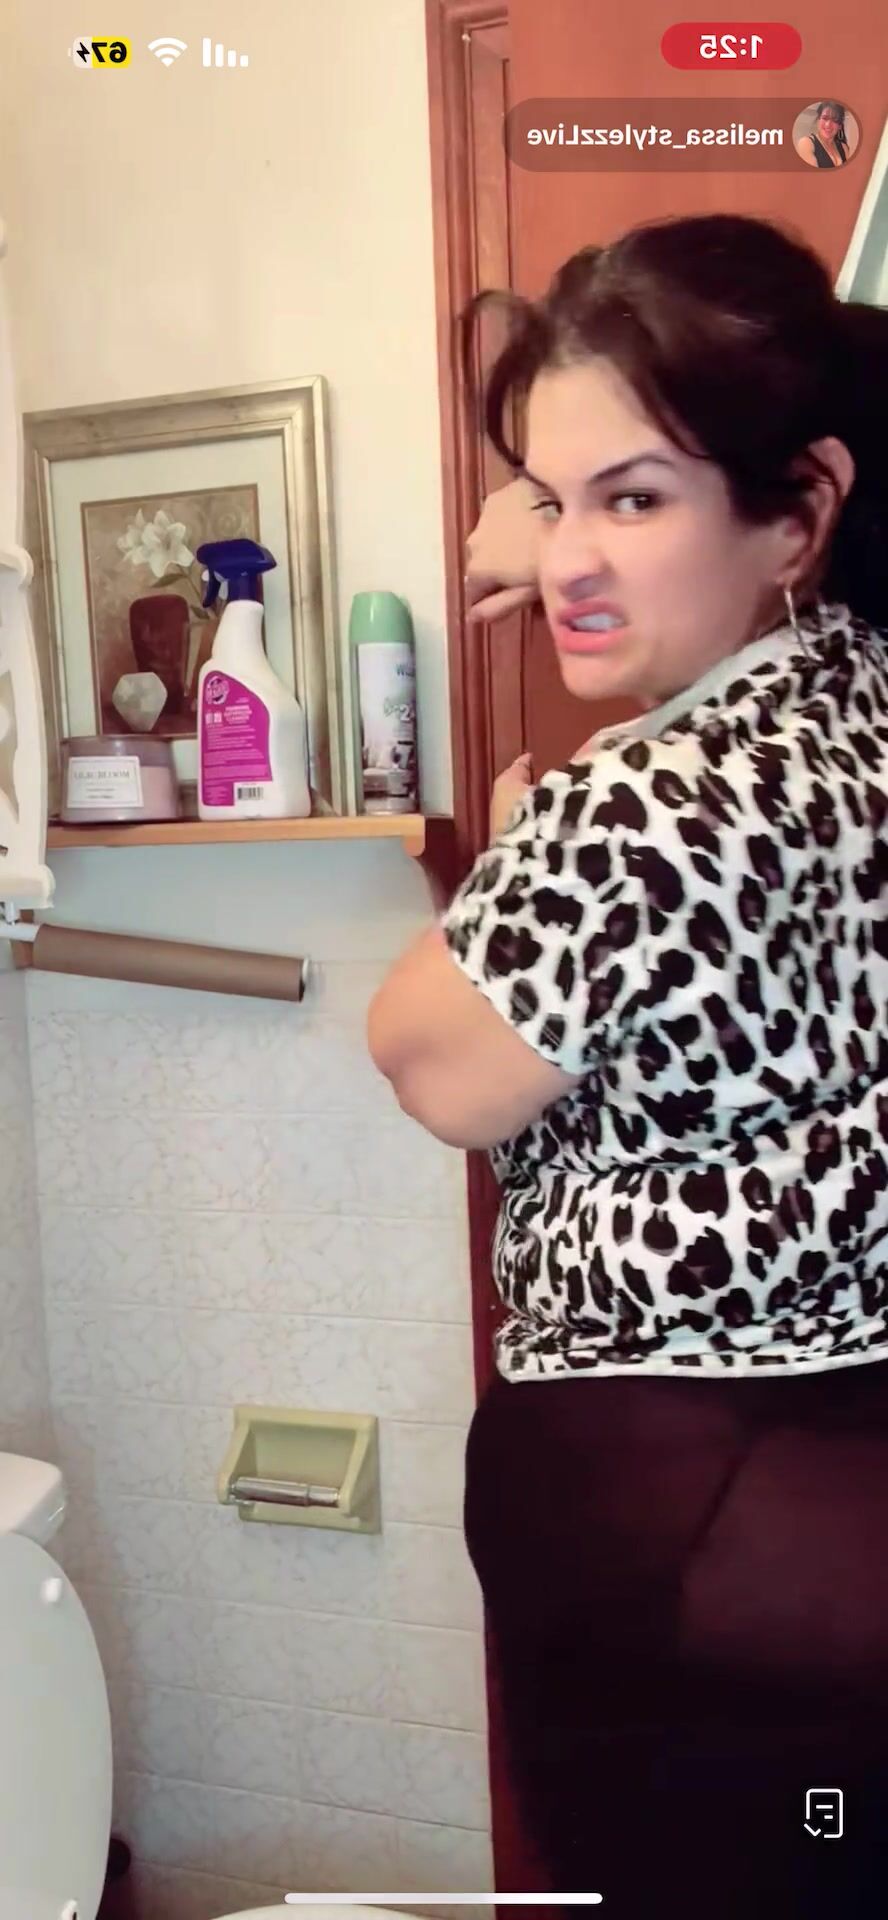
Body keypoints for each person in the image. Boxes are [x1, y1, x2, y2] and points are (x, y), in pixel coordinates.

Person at [366, 211, 888, 1916]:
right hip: (838, 1487)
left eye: (636, 499)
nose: (565, 562)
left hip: (684, 1521)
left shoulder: (649, 798)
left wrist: (525, 845)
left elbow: (432, 1066)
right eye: (550, 496)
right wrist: (587, 502)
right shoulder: (856, 696)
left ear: (797, 509)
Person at [796, 100, 852, 168]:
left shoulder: (844, 147)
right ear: (818, 120)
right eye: (825, 118)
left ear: (840, 126)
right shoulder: (806, 143)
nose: (828, 125)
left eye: (834, 120)